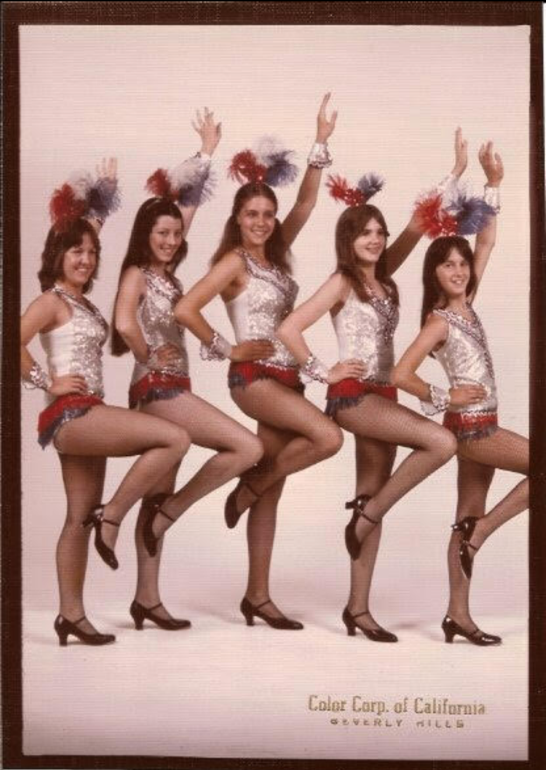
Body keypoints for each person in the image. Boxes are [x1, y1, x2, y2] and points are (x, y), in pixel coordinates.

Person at [277, 132, 469, 641]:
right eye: (365, 232)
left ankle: (357, 609)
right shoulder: (343, 281)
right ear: (348, 238)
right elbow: (289, 328)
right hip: (354, 398)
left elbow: (418, 224)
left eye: (379, 232)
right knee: (440, 441)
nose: (376, 239)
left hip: (384, 398)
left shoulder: (385, 278)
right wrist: (323, 370)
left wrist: (454, 173)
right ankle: (367, 516)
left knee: (369, 495)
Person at [175, 94, 342, 630]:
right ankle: (247, 484)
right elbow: (185, 306)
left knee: (272, 491)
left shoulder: (275, 250)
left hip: (287, 380)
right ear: (238, 218)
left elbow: (308, 206)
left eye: (268, 214)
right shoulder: (233, 261)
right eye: (253, 214)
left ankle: (258, 597)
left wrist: (320, 142)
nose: (264, 222)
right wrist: (226, 347)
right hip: (253, 378)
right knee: (327, 438)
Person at [21, 160, 191, 646]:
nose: (85, 259)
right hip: (74, 414)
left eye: (92, 253)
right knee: (173, 437)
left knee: (77, 515)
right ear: (57, 254)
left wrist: (102, 200)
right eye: (75, 251)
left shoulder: (82, 301)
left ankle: (70, 616)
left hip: (85, 413)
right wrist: (43, 380)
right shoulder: (50, 300)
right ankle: (113, 515)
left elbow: (85, 233)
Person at [112, 111, 263, 630]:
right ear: (145, 234)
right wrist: (144, 354)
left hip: (174, 386)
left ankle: (146, 599)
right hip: (155, 387)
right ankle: (145, 513)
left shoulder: (168, 273)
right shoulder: (135, 272)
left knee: (157, 495)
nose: (171, 239)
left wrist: (206, 154)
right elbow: (122, 320)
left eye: (175, 234)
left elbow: (188, 208)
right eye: (161, 232)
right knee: (247, 446)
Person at [392, 142, 524, 645]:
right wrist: (443, 397)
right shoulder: (438, 320)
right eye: (448, 266)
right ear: (434, 274)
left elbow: (485, 244)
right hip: (472, 430)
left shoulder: (467, 303)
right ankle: (483, 533)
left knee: (463, 515)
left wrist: (493, 185)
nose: (459, 270)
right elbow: (402, 373)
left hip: (482, 423)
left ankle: (457, 616)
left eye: (461, 265)